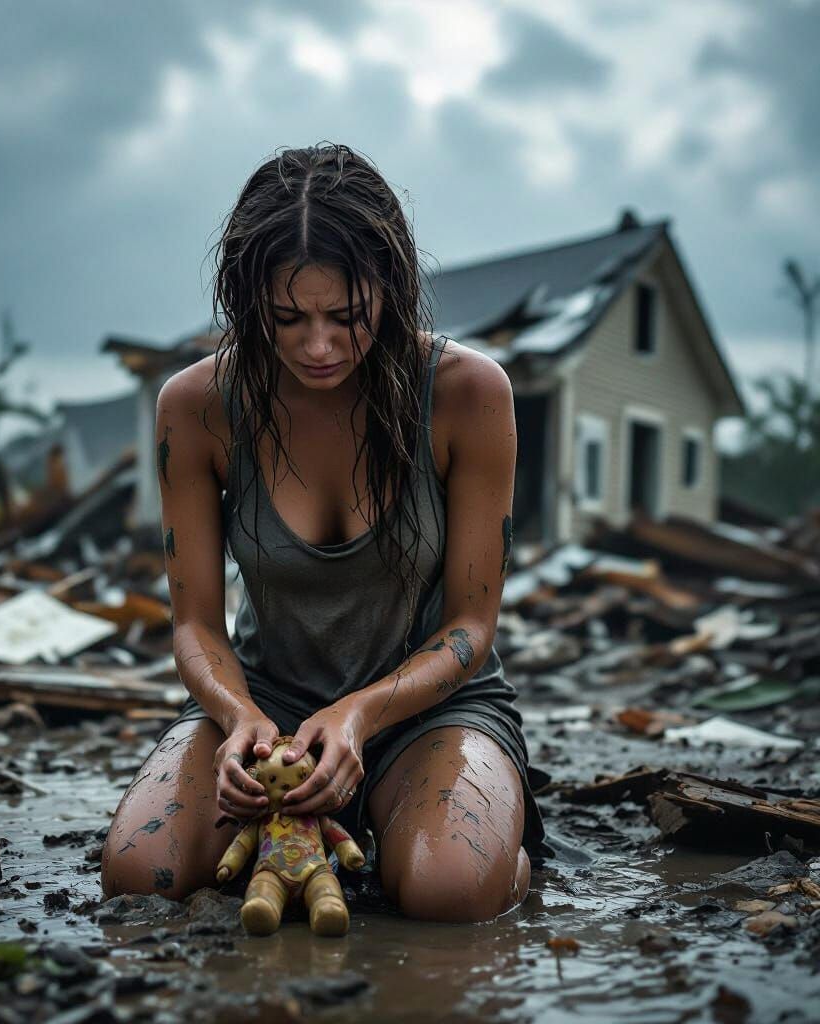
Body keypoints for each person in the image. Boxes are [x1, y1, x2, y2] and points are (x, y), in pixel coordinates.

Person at [101, 142, 548, 922]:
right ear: (247, 304)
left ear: (394, 289)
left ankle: (462, 834)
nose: (318, 346)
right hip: (267, 706)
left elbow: (471, 626)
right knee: (144, 874)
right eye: (287, 318)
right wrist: (242, 719)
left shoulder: (467, 393)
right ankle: (308, 835)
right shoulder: (198, 406)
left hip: (428, 710)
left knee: (447, 894)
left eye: (347, 316)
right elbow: (198, 624)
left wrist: (359, 715)